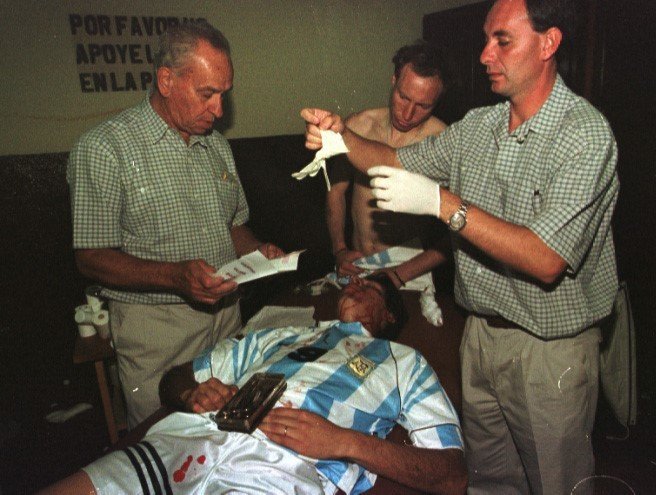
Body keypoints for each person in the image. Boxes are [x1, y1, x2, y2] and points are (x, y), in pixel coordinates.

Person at [300, 0, 619, 493]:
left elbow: (546, 259)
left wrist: (442, 204)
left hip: (547, 351)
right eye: (486, 39)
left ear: (549, 43)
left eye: (502, 41)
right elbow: (395, 159)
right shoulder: (479, 127)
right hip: (480, 337)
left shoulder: (584, 135)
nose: (485, 55)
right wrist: (340, 140)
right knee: (489, 481)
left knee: (557, 484)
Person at [39, 273, 467, 495]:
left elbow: (452, 476)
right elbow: (175, 378)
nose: (353, 284)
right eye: (351, 280)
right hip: (194, 437)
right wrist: (191, 393)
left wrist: (344, 443)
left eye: (368, 286)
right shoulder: (282, 335)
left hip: (282, 470)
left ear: (390, 315)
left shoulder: (405, 362)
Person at [67, 21, 283, 428]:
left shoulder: (215, 145)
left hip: (226, 321)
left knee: (234, 434)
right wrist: (175, 277)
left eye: (224, 95)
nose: (219, 110)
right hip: (158, 334)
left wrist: (258, 251)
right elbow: (91, 258)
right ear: (166, 80)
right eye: (207, 94)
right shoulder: (104, 148)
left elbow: (233, 225)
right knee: (166, 443)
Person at [327, 41, 449, 288]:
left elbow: (461, 229)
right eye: (404, 97)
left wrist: (401, 273)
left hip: (410, 269)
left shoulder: (443, 141)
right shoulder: (357, 127)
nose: (407, 113)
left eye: (423, 106)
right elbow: (336, 192)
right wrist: (340, 250)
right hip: (359, 263)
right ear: (394, 80)